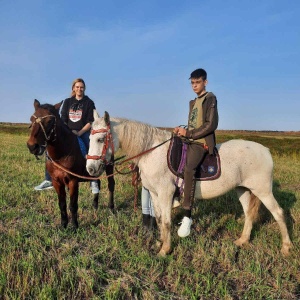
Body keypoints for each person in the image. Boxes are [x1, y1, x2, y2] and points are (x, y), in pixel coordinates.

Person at [173, 68, 218, 237]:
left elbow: (211, 124)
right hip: (190, 139)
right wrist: (182, 130)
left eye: (197, 82)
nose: (194, 85)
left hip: (201, 142)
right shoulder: (193, 102)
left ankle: (187, 216)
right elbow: (192, 124)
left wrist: (189, 134)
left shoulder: (210, 98)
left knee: (189, 168)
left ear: (205, 82)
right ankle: (177, 196)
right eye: (192, 82)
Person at [34, 78, 100, 194]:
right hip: (68, 132)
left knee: (90, 150)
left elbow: (90, 121)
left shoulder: (88, 103)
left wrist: (79, 133)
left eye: (82, 87)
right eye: (77, 87)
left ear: (84, 89)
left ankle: (93, 179)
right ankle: (48, 180)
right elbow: (63, 118)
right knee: (50, 149)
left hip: (83, 132)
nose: (79, 89)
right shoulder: (68, 102)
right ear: (73, 88)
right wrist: (68, 132)